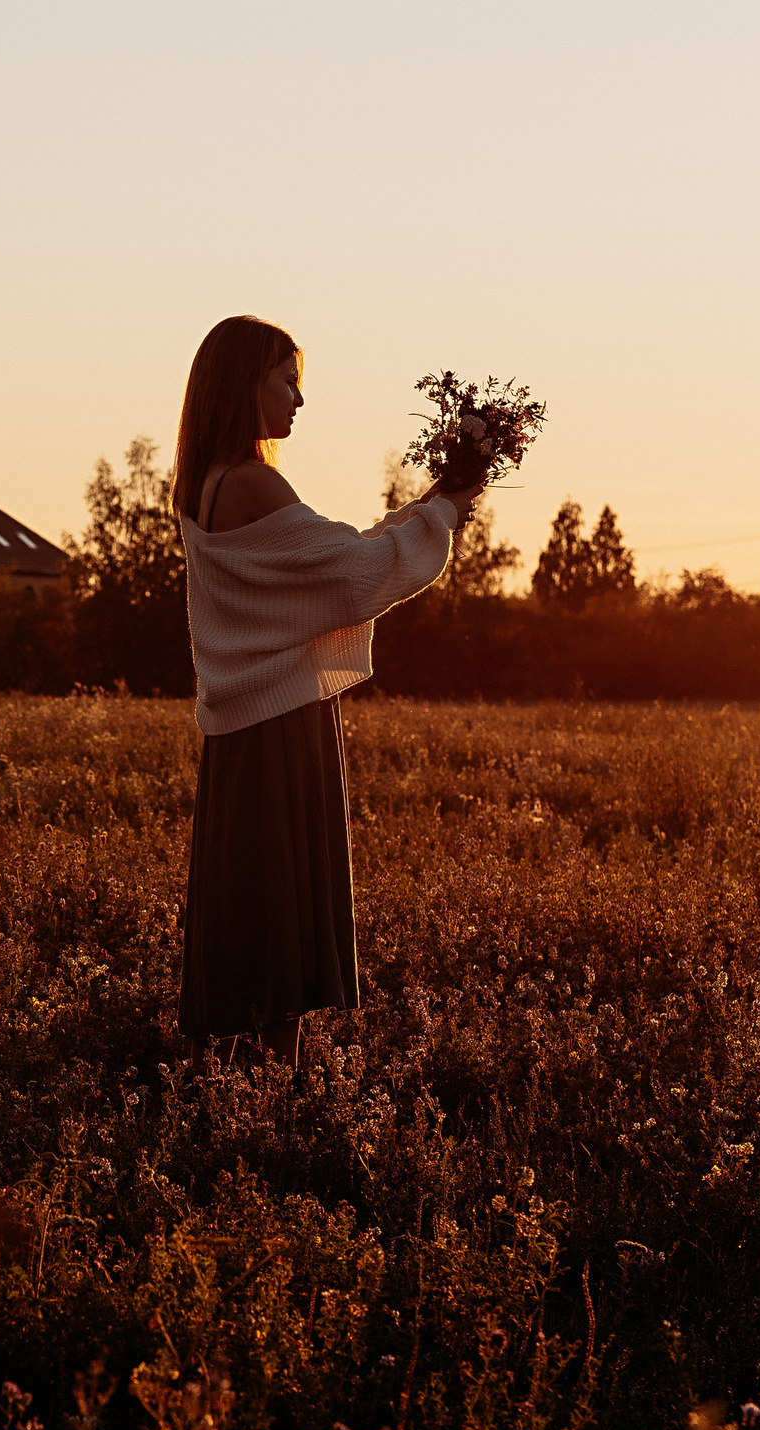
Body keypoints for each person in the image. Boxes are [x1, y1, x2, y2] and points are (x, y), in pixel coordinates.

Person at [175, 314, 486, 1062]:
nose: (298, 401)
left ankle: (245, 1092)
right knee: (280, 907)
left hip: (240, 728)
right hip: (278, 721)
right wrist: (441, 510)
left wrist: (426, 507)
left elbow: (331, 560)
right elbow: (350, 573)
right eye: (287, 381)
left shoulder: (203, 483)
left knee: (250, 901)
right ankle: (277, 1101)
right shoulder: (250, 480)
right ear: (243, 383)